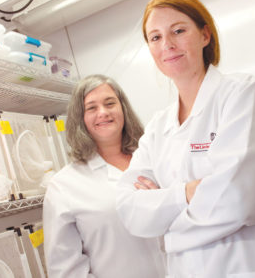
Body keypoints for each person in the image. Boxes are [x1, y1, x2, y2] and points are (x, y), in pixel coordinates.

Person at [116, 0, 255, 278]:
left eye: (178, 30)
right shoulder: (159, 128)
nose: (167, 44)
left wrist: (168, 231)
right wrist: (188, 192)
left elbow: (238, 199)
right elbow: (130, 210)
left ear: (204, 36)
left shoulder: (240, 93)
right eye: (155, 37)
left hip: (251, 265)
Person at [43, 74, 166, 278]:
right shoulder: (63, 186)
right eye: (91, 108)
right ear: (79, 118)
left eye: (110, 103)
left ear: (123, 109)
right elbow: (65, 270)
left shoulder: (154, 160)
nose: (103, 112)